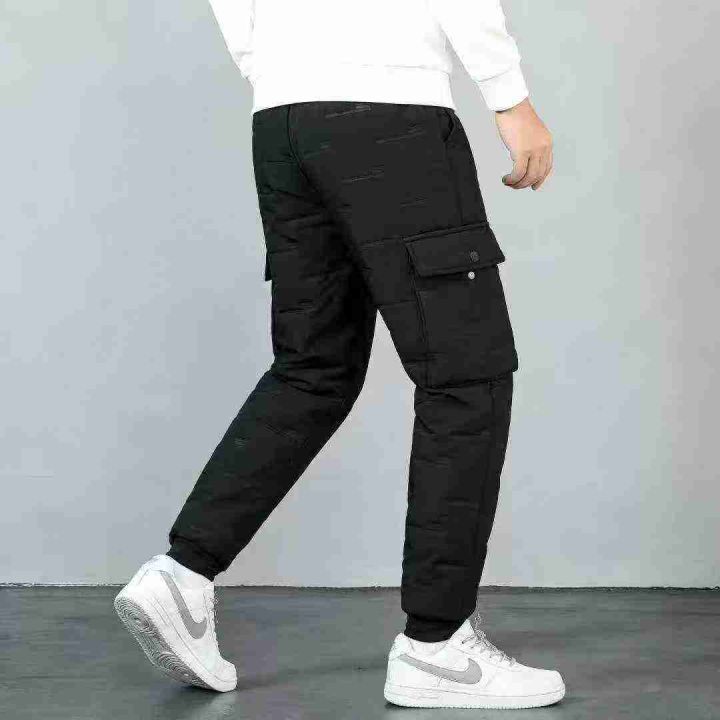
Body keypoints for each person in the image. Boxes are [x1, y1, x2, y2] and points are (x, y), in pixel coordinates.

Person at [114, 0, 563, 709]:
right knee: (465, 376)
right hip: (392, 114)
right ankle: (437, 645)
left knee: (312, 369)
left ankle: (182, 575)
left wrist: (275, 66)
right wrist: (510, 99)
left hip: (284, 122)